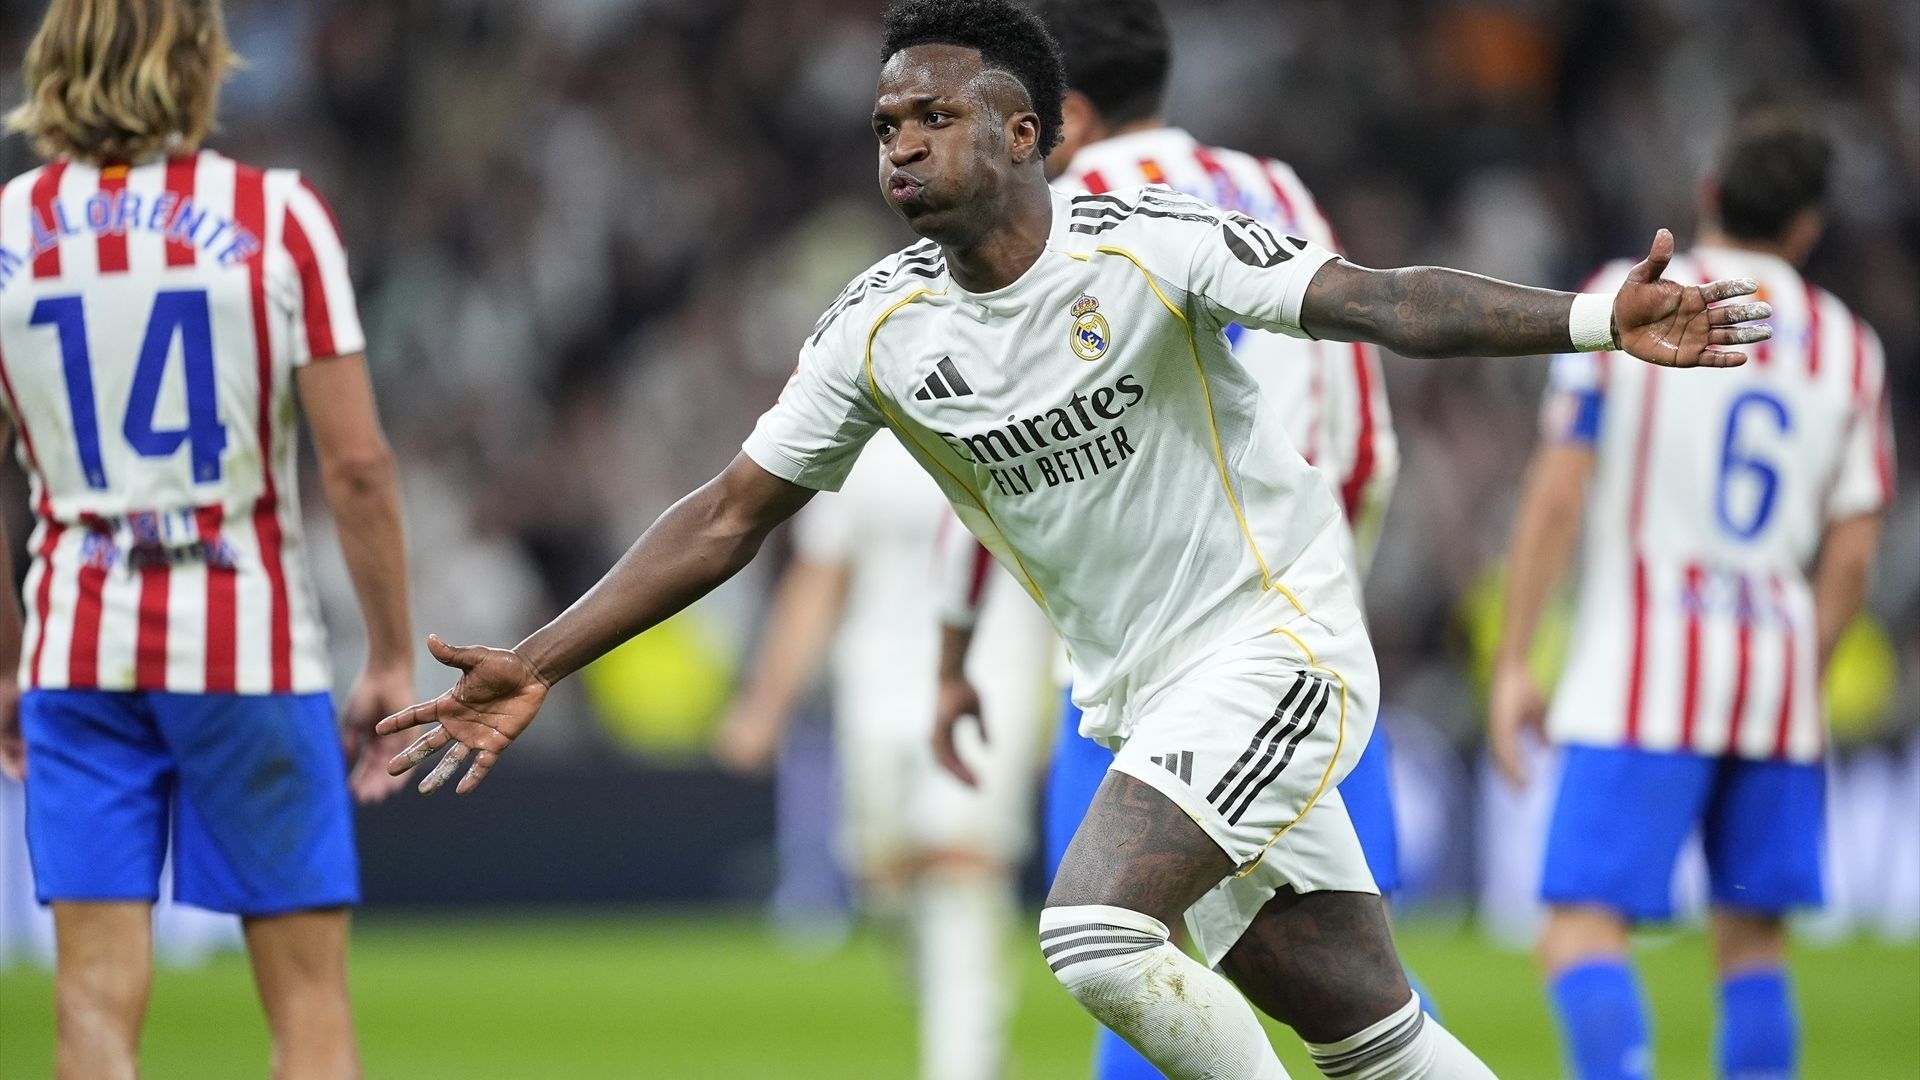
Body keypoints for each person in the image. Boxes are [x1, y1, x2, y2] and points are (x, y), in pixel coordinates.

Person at [378, 2, 1767, 1075]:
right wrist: (544, 661)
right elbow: (732, 511)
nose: (900, 145)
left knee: (1092, 931)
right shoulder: (880, 328)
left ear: (1033, 132)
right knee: (1373, 1035)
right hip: (1148, 698)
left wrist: (1594, 321)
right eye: (882, 124)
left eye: (932, 116)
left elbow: (1384, 301)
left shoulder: (1152, 247)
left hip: (1275, 646)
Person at [925, 2, 1403, 1074]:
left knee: (1123, 943)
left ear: (1062, 112)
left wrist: (953, 652)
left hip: (1132, 651)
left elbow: (987, 468)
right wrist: (1329, 598)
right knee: (1356, 993)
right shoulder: (1276, 191)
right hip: (1300, 634)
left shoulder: (1045, 219)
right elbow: (1367, 436)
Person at [0, 1, 416, 1077]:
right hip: (247, 638)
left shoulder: (7, 231)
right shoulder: (275, 218)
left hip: (75, 648)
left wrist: (8, 661)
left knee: (91, 1003)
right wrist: (387, 654)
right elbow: (359, 466)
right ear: (199, 67)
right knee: (309, 1003)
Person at [1489, 109, 1892, 1080]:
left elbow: (1558, 490)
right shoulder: (1850, 347)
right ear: (1807, 228)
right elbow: (1851, 551)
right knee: (1752, 943)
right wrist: (1809, 668)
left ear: (1708, 194)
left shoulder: (1631, 296)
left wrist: (1514, 662)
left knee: (1580, 928)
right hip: (1773, 677)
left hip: (1642, 662)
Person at [711, 430, 1051, 1080]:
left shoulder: (1013, 417)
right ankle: (966, 1023)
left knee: (960, 864)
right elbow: (821, 576)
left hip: (989, 680)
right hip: (874, 692)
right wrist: (767, 702)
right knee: (887, 886)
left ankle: (964, 1062)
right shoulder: (863, 436)